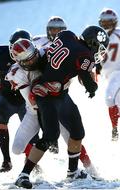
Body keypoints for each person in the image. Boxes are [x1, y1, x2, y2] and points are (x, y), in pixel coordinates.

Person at [9, 25, 109, 188]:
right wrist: (93, 88)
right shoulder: (85, 56)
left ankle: (72, 172)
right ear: (93, 43)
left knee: (77, 132)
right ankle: (23, 175)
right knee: (50, 136)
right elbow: (89, 83)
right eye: (100, 47)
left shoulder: (67, 34)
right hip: (46, 93)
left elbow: (53, 55)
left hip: (59, 92)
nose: (100, 51)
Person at [33, 15, 97, 168]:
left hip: (59, 93)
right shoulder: (38, 42)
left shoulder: (64, 40)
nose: (55, 32)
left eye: (58, 29)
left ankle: (88, 167)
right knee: (39, 136)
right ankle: (30, 169)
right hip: (40, 93)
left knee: (73, 134)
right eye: (52, 29)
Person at [0, 29, 37, 172]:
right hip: (6, 96)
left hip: (25, 98)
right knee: (0, 116)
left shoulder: (36, 55)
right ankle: (6, 160)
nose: (20, 51)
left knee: (31, 131)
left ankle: (31, 160)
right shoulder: (1, 55)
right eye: (16, 47)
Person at [98, 8, 120, 141]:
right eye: (104, 22)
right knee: (115, 100)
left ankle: (115, 130)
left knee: (109, 97)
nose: (106, 25)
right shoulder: (97, 36)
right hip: (108, 74)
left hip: (118, 72)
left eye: (109, 22)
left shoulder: (118, 34)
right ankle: (115, 130)